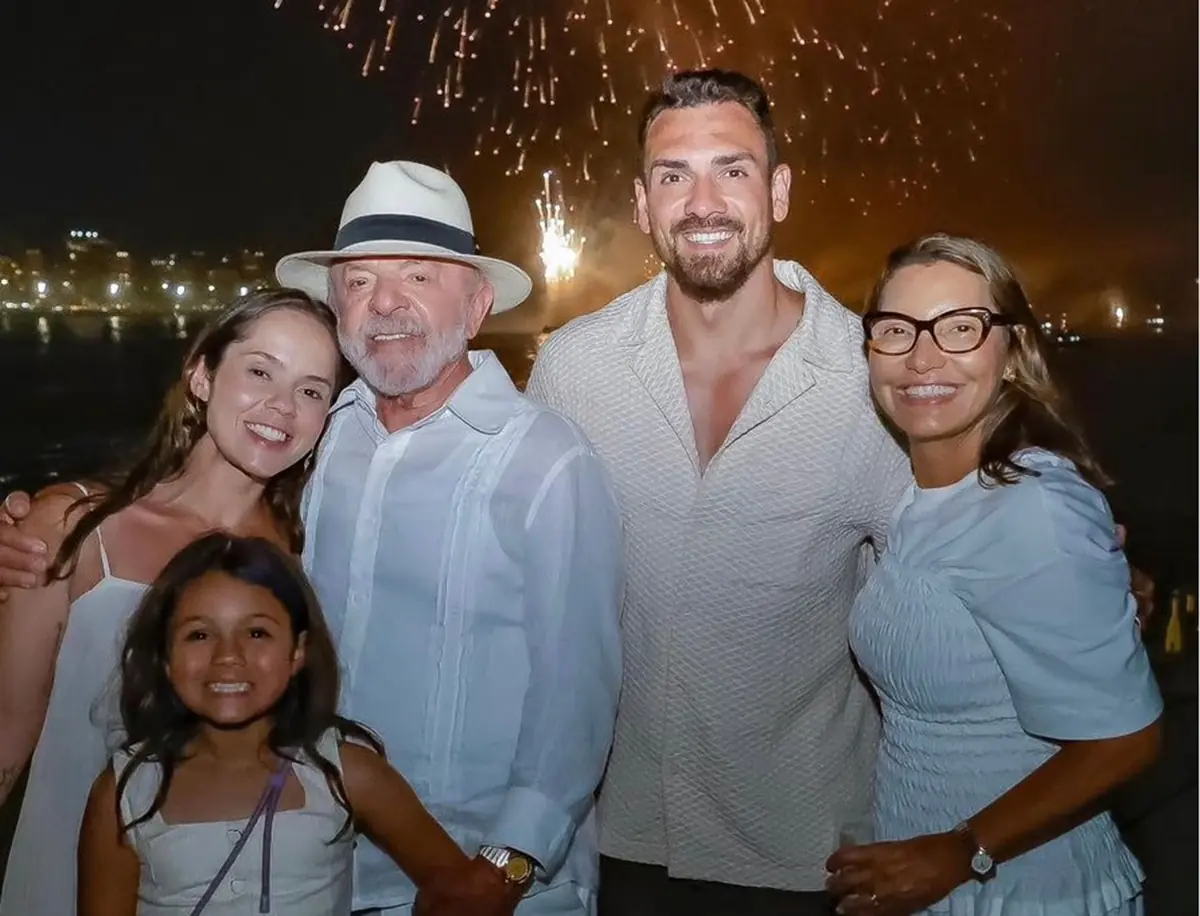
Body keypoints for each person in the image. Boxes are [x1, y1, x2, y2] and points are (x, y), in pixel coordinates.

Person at [0, 160, 625, 916]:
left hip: (484, 883)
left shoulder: (548, 463)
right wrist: (47, 516)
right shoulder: (326, 447)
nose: (386, 303)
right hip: (306, 875)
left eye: (419, 277)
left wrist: (500, 873)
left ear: (478, 301)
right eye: (359, 282)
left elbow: (581, 697)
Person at [526, 69, 910, 915]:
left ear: (777, 192)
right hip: (614, 838)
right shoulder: (572, 370)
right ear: (641, 203)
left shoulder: (872, 378)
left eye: (731, 169)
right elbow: (520, 575)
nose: (702, 203)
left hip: (812, 854)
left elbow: (942, 582)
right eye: (674, 175)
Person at [826, 234, 1162, 915]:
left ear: (1012, 352)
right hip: (929, 880)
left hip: (1030, 889)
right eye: (897, 330)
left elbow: (1127, 737)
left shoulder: (1033, 506)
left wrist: (962, 848)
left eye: (960, 328)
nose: (923, 356)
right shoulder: (917, 496)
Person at [0, 288, 345, 916]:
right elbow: (5, 738)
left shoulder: (305, 561)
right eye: (261, 371)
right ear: (202, 375)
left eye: (312, 390)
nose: (282, 406)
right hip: (65, 877)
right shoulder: (73, 529)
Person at [79, 533, 470, 916]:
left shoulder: (344, 771)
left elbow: (463, 890)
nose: (228, 656)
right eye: (199, 634)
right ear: (164, 657)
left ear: (297, 652)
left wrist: (508, 866)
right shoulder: (125, 792)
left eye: (256, 633)